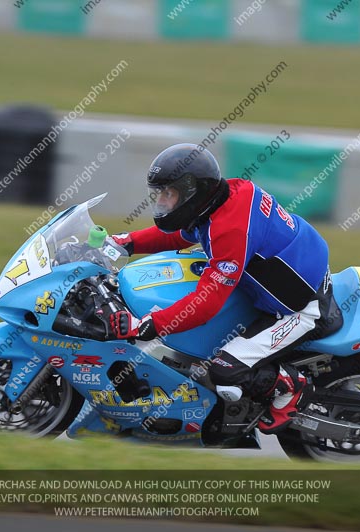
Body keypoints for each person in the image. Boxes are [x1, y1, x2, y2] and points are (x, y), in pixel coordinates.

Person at [109, 143, 340, 434]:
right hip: (293, 272)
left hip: (302, 308)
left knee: (223, 371)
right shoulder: (224, 196)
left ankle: (290, 387)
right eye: (161, 194)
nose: (164, 202)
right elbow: (180, 235)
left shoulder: (229, 230)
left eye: (170, 194)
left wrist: (149, 324)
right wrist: (127, 242)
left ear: (193, 192)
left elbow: (205, 305)